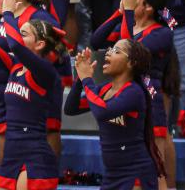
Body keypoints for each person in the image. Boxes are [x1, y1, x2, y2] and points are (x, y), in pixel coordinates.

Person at [0, 0, 63, 190]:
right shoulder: (15, 66)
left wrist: (9, 13)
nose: (15, 37)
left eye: (24, 33)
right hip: (11, 154)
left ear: (40, 44)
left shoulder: (44, 71)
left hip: (35, 155)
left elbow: (15, 45)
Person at [68, 33, 164, 190]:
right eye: (110, 48)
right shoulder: (104, 89)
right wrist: (80, 79)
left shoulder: (134, 92)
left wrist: (87, 79)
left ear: (131, 63)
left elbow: (102, 112)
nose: (108, 52)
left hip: (135, 172)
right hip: (111, 174)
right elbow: (71, 109)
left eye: (117, 51)